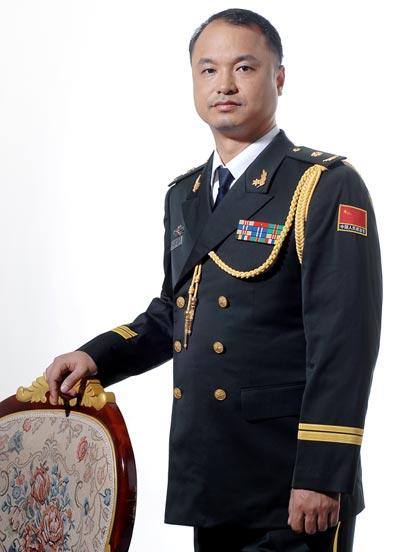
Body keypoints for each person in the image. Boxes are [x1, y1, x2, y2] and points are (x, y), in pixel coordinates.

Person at [45, 8, 382, 552]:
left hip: (290, 483)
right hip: (212, 470)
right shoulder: (186, 193)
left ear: (279, 77)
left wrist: (323, 473)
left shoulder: (323, 185)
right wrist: (97, 356)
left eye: (244, 68)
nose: (224, 84)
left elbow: (346, 343)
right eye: (208, 69)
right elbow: (176, 313)